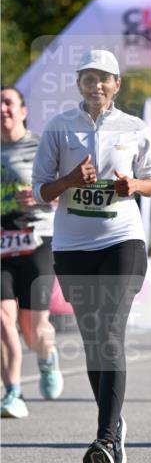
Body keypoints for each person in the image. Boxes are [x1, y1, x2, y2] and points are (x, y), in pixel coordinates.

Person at [32, 49, 151, 463]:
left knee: (109, 331)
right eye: (89, 79)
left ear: (117, 84)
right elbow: (41, 192)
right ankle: (114, 423)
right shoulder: (60, 127)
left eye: (105, 79)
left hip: (123, 241)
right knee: (93, 340)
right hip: (72, 247)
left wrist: (133, 185)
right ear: (78, 85)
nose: (97, 86)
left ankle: (105, 438)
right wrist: (70, 181)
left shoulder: (135, 128)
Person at [1, 86, 64, 417]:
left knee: (33, 329)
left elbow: (59, 193)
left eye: (8, 102)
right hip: (0, 246)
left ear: (23, 110)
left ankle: (46, 356)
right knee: (2, 318)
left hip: (37, 241)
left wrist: (41, 197)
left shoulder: (39, 146)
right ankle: (12, 392)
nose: (2, 108)